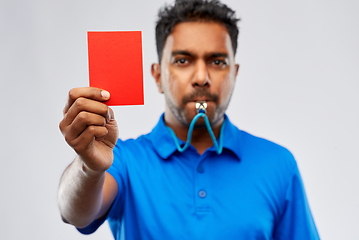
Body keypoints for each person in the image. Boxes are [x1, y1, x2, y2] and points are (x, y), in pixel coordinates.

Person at [58, 0, 320, 239]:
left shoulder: (277, 163)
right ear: (158, 75)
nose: (201, 77)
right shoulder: (124, 159)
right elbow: (74, 214)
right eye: (183, 60)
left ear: (234, 74)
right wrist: (89, 167)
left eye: (217, 61)